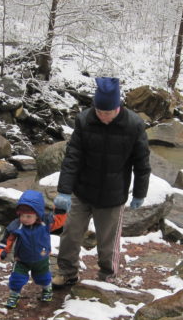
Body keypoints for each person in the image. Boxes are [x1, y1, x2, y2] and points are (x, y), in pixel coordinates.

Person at [52, 77, 151, 287]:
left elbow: (141, 163)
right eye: (100, 112)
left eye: (108, 112)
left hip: (112, 195)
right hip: (82, 190)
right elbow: (72, 157)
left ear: (118, 107)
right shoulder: (84, 120)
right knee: (70, 234)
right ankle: (67, 272)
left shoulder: (133, 125)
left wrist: (140, 193)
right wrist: (64, 191)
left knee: (108, 243)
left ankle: (107, 276)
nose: (103, 116)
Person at [0, 189, 67, 309]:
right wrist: (2, 250)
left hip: (41, 258)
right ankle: (14, 295)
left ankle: (47, 290)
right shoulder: (17, 225)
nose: (25, 219)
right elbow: (8, 238)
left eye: (28, 216)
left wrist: (61, 210)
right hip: (21, 259)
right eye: (22, 215)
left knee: (43, 277)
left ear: (37, 214)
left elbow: (58, 221)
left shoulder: (45, 222)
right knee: (16, 279)